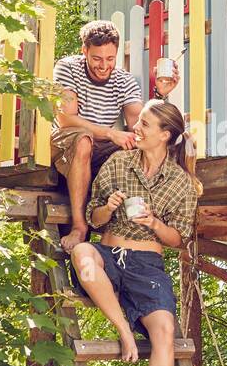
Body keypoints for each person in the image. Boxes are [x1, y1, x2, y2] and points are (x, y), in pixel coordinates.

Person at [70, 99, 200, 366]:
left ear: (165, 135)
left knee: (164, 333)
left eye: (145, 125)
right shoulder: (117, 162)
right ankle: (124, 330)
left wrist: (156, 224)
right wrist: (107, 207)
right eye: (138, 122)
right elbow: (94, 222)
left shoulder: (181, 184)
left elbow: (180, 239)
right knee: (82, 254)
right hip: (108, 253)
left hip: (148, 266)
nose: (137, 129)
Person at [51, 20, 178, 252]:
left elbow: (139, 124)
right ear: (84, 51)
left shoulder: (124, 80)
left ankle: (130, 227)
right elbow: (66, 119)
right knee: (82, 141)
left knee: (138, 146)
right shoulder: (67, 67)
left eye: (110, 59)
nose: (103, 65)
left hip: (101, 149)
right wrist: (111, 133)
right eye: (97, 58)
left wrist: (160, 94)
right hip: (66, 141)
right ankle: (79, 227)